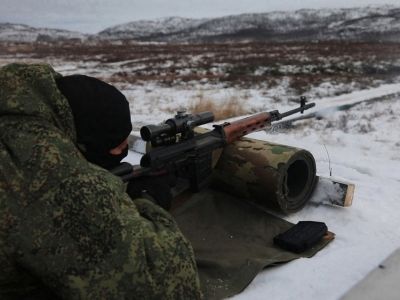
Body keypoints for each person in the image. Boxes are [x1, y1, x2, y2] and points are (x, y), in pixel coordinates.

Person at [0, 63, 201, 299]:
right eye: (117, 147)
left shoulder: (19, 103)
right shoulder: (54, 175)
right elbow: (167, 282)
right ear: (83, 144)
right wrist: (149, 199)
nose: (124, 151)